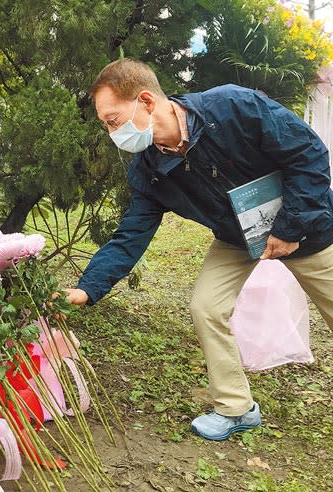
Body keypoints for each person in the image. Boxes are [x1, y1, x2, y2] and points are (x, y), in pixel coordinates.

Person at [65, 58, 333, 441]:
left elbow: (307, 153)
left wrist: (292, 226)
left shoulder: (232, 107)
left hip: (307, 227)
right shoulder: (148, 169)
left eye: (113, 120)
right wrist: (88, 287)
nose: (112, 133)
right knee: (206, 306)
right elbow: (131, 234)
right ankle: (236, 407)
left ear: (145, 101)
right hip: (237, 236)